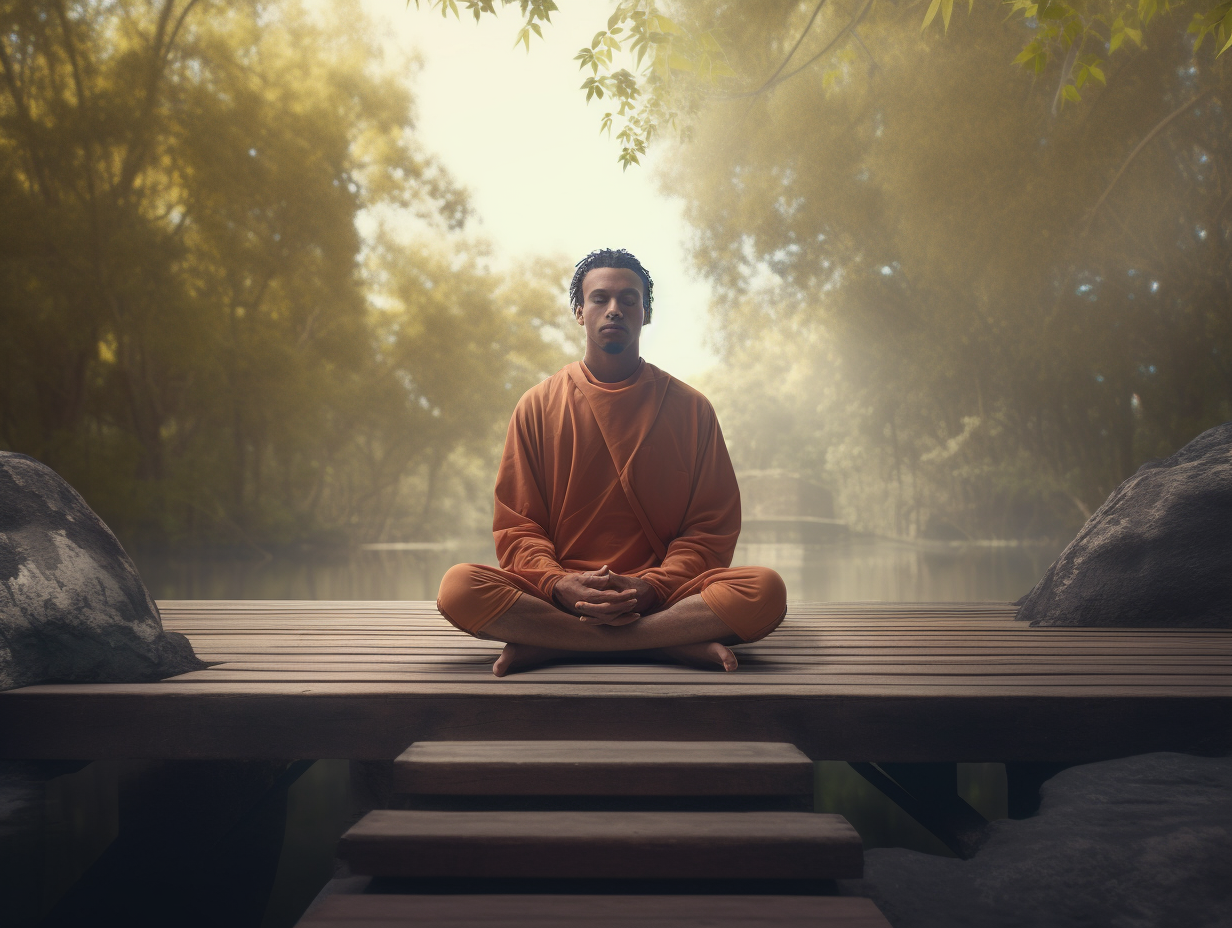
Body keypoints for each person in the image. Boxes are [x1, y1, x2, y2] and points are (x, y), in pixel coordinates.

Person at [437, 248, 787, 676]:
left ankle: (557, 644)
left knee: (764, 590)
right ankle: (666, 643)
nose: (614, 310)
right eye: (600, 299)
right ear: (579, 312)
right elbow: (518, 526)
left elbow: (709, 529)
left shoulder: (693, 409)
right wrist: (559, 583)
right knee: (458, 587)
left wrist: (650, 588)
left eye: (629, 299)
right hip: (561, 594)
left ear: (647, 312)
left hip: (662, 593)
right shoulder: (537, 406)